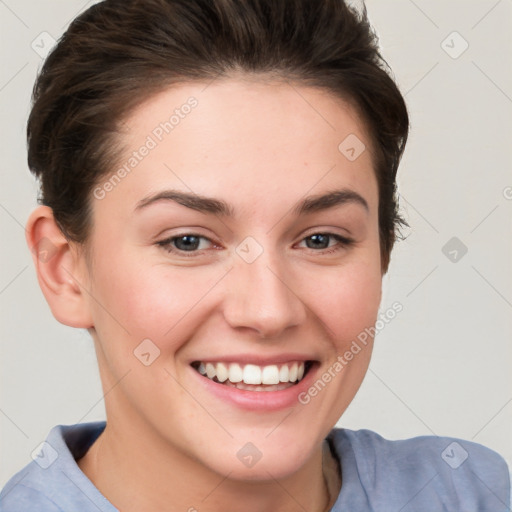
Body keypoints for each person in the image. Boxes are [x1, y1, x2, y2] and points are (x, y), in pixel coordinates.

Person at [0, 0, 509, 510]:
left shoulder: (472, 493)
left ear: (382, 254)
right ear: (63, 269)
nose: (269, 311)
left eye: (320, 239)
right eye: (188, 241)